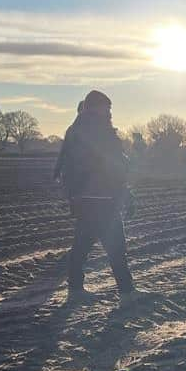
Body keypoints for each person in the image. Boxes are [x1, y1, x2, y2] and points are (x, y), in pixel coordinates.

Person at [54, 90, 137, 304]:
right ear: (94, 108)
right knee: (116, 246)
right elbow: (111, 162)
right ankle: (127, 292)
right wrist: (124, 189)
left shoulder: (77, 129)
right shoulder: (96, 130)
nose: (109, 112)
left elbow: (66, 161)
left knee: (81, 245)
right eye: (106, 108)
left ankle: (75, 289)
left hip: (85, 198)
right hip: (102, 197)